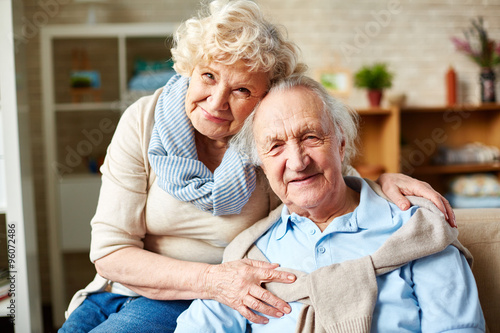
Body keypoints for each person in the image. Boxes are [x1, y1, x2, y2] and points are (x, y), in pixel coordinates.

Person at [59, 1, 456, 332]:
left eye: (241, 90)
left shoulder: (268, 146)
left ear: (265, 99)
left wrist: (378, 183)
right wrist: (215, 280)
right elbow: (110, 252)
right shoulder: (143, 120)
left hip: (184, 303)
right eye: (208, 77)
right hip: (118, 288)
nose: (216, 102)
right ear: (189, 69)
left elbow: (309, 180)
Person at [175, 75, 485, 332]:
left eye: (310, 137)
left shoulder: (417, 229)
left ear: (340, 143)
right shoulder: (250, 254)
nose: (297, 162)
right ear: (260, 164)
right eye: (276, 146)